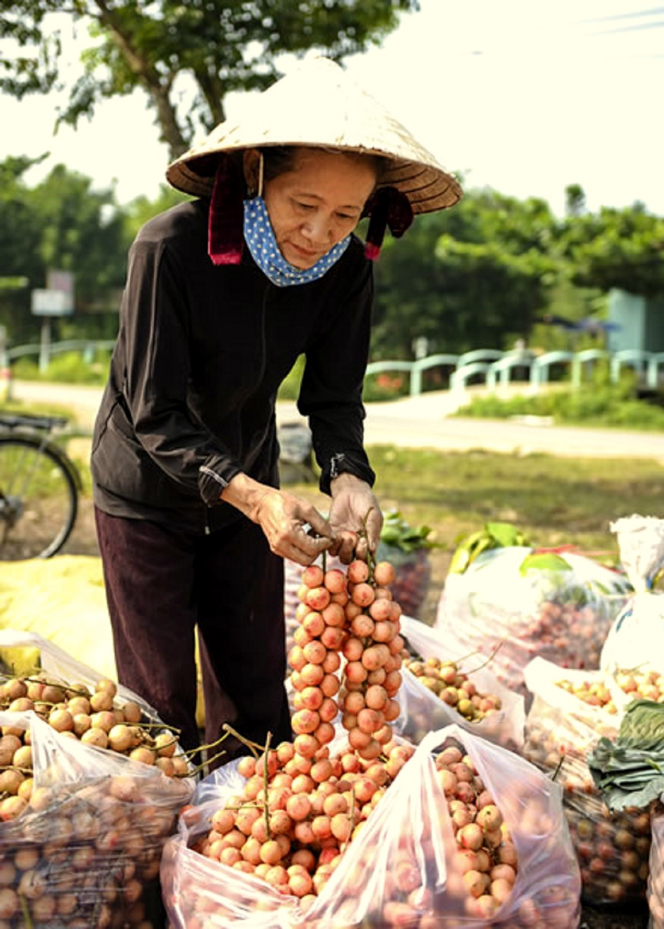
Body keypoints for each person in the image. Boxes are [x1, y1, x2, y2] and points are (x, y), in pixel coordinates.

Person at [90, 56, 462, 761]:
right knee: (159, 710)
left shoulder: (345, 272)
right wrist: (258, 500)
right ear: (257, 173)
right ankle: (157, 850)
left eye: (346, 214)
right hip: (145, 490)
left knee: (256, 704)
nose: (321, 232)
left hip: (249, 485)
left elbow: (333, 396)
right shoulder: (168, 249)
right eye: (303, 205)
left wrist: (349, 477)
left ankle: (236, 854)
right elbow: (155, 413)